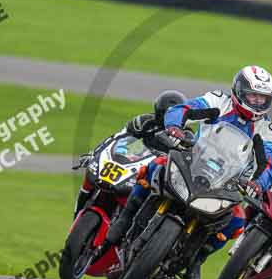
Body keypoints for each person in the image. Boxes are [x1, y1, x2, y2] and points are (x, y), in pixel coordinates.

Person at [96, 66, 272, 279]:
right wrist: (174, 127)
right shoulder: (218, 101)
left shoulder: (267, 129)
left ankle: (196, 259)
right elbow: (185, 108)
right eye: (253, 95)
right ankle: (127, 216)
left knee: (237, 220)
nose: (258, 102)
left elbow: (267, 163)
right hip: (194, 159)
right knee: (156, 165)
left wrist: (257, 184)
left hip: (226, 178)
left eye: (263, 98)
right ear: (239, 91)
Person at [72, 90, 186, 220]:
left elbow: (185, 163)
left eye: (173, 116)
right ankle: (77, 212)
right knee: (90, 178)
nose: (169, 119)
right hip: (135, 161)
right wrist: (96, 154)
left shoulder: (186, 136)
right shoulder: (144, 121)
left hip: (157, 176)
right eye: (166, 115)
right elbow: (117, 138)